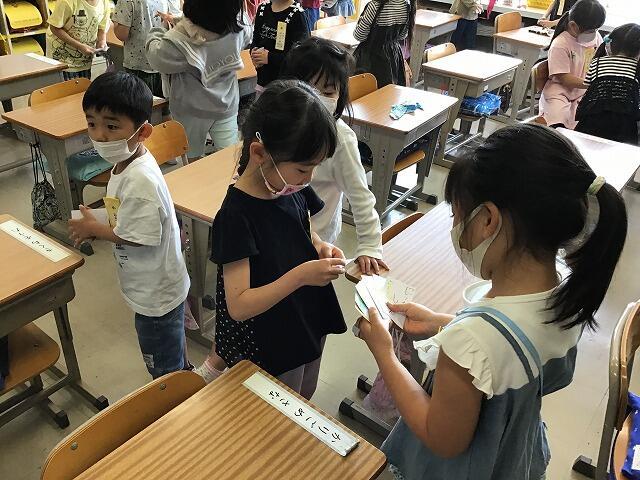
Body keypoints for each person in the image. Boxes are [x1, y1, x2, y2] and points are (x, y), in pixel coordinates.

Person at [356, 123, 628, 480]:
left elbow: (442, 438)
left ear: (487, 220)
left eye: (456, 216)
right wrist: (443, 322)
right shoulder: (566, 294)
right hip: (514, 457)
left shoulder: (472, 339)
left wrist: (384, 353)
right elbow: (522, 354)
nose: (455, 227)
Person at [209, 80, 347, 398]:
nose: (309, 178)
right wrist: (301, 276)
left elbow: (301, 229)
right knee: (283, 405)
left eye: (315, 167)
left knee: (305, 391)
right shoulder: (236, 216)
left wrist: (319, 246)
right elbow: (239, 305)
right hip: (270, 335)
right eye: (303, 169)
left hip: (304, 314)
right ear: (259, 153)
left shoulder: (287, 186)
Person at [68, 71, 190, 379]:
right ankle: (180, 377)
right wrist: (98, 220)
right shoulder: (126, 163)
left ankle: (173, 396)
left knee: (163, 364)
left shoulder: (139, 181)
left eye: (111, 126)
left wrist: (94, 230)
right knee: (170, 347)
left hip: (156, 294)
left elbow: (137, 236)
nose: (99, 135)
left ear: (143, 131)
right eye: (91, 123)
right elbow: (129, 216)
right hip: (155, 283)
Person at [281, 37, 386, 275]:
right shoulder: (282, 125)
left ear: (340, 95)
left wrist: (370, 246)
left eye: (328, 92)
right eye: (309, 89)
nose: (318, 99)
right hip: (280, 229)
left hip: (319, 240)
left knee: (310, 285)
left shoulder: (341, 139)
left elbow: (360, 196)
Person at [146, 0, 252, 160]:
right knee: (230, 157)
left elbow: (156, 57)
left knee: (193, 157)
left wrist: (158, 30)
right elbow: (245, 35)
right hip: (226, 104)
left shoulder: (178, 40)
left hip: (191, 110)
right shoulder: (240, 27)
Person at [539, 0, 606, 129]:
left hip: (582, 92)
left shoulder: (595, 37)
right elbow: (564, 78)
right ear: (573, 26)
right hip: (559, 93)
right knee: (558, 125)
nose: (594, 33)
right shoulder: (560, 44)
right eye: (590, 30)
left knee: (591, 121)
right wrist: (591, 84)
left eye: (596, 29)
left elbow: (599, 60)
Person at [576, 24, 640, 144]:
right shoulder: (637, 68)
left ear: (610, 44)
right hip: (625, 124)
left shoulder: (597, 62)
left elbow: (588, 84)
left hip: (593, 118)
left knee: (586, 147)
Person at [111, 0, 182, 97]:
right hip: (162, 62)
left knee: (141, 103)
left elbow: (122, 34)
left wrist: (116, 24)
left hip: (138, 64)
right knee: (163, 102)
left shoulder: (126, 1)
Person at [353, 0, 416, 88]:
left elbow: (359, 35)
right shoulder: (406, 5)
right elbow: (402, 35)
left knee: (367, 90)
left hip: (371, 56)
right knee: (388, 90)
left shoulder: (374, 6)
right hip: (394, 55)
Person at [250, 0, 309, 92]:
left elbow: (300, 56)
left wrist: (269, 57)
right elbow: (256, 38)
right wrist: (253, 52)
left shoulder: (298, 15)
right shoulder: (262, 8)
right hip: (263, 80)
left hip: (285, 86)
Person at [46, 0, 110, 80]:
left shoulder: (104, 2)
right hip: (63, 60)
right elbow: (54, 27)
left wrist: (101, 41)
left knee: (83, 85)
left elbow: (102, 27)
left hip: (84, 59)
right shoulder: (67, 2)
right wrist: (79, 46)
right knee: (67, 86)